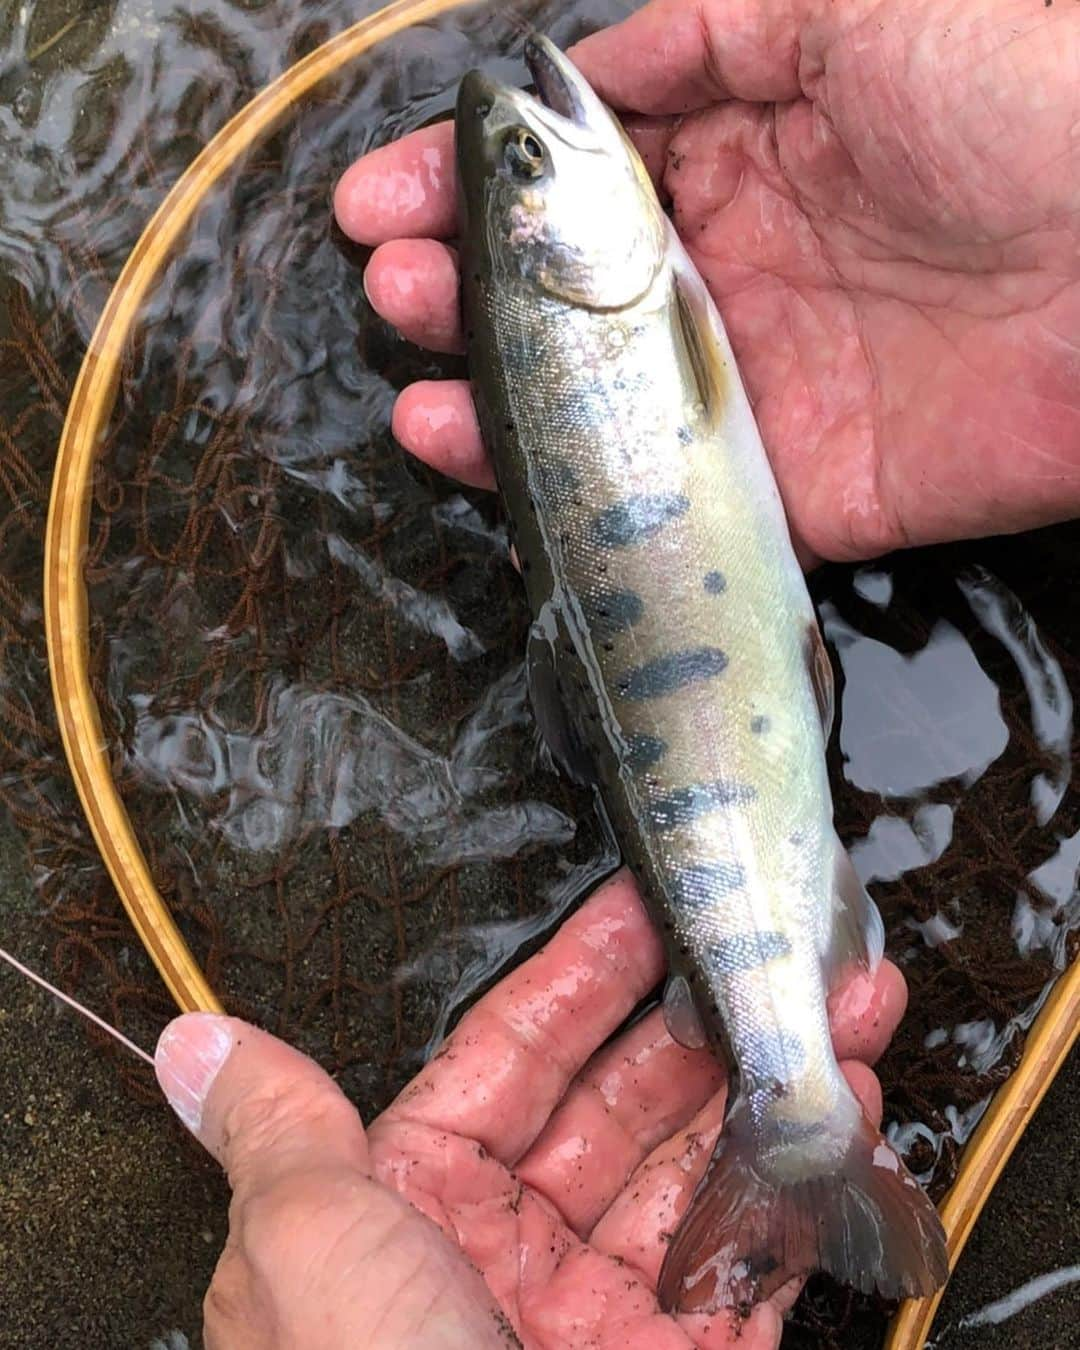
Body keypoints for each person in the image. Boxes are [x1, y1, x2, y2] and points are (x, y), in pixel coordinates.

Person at [154, 1, 1080, 1345]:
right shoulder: (651, 299)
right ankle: (792, 1110)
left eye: (512, 165)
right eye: (529, 171)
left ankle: (792, 1104)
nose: (532, 128)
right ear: (541, 250)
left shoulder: (632, 282)